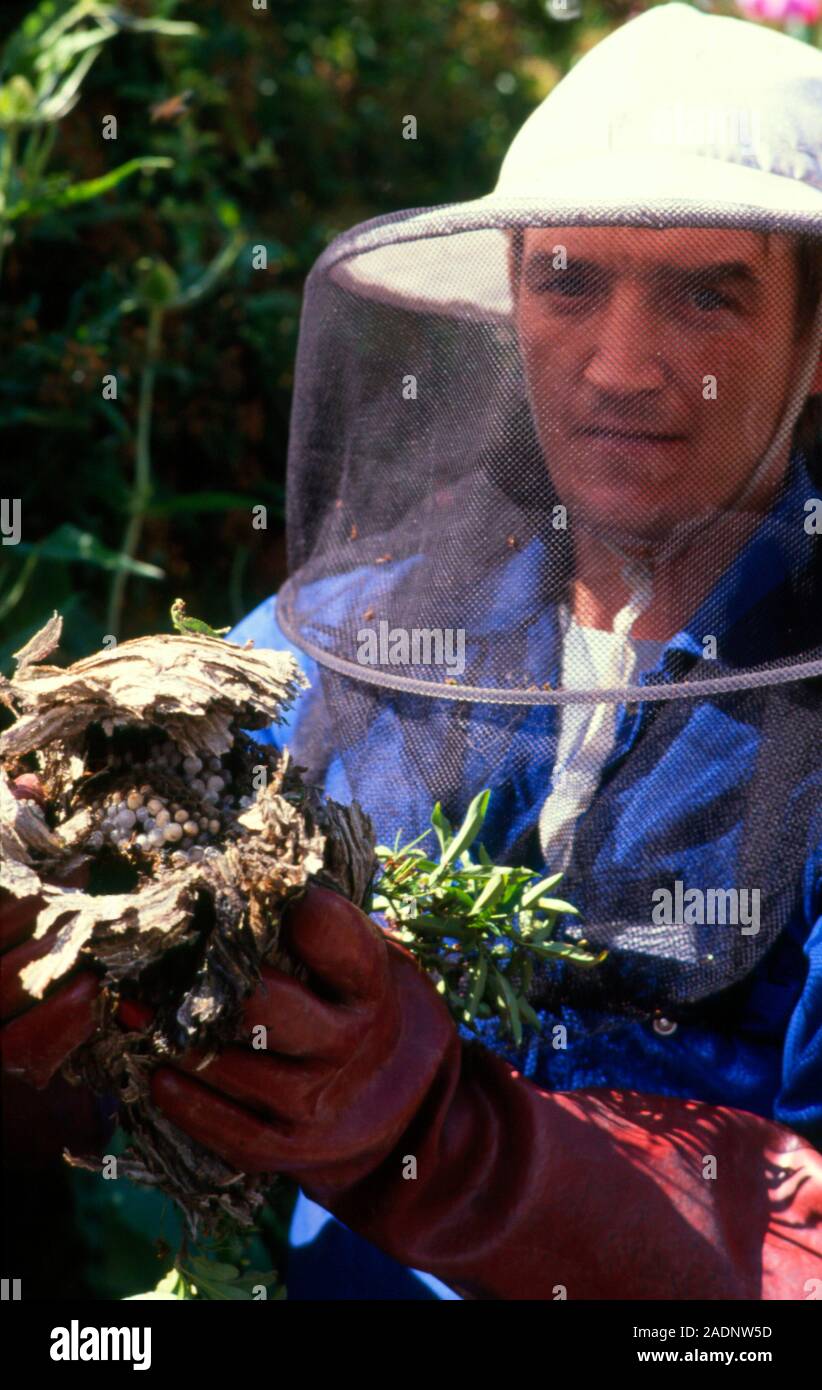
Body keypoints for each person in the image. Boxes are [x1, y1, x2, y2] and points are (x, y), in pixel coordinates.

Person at [2, 2, 821, 1300]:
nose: (618, 365)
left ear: (810, 336)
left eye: (704, 293)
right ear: (507, 294)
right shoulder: (366, 629)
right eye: (568, 281)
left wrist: (456, 1144)